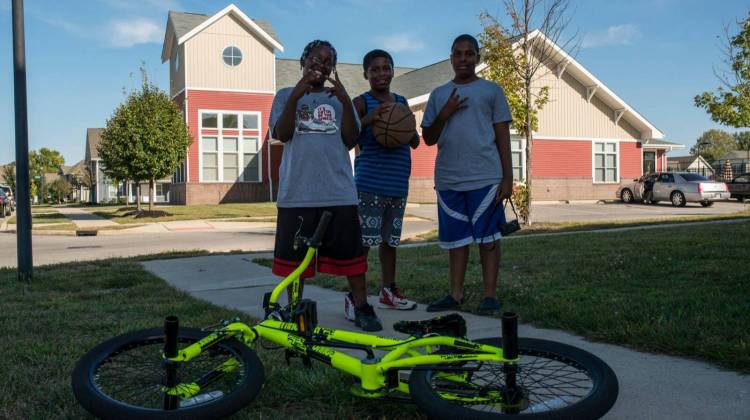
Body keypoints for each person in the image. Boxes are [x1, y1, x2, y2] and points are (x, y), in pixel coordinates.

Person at [268, 40, 382, 331]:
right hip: (298, 194)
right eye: (315, 59)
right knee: (296, 262)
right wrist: (296, 94)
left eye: (327, 61)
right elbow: (281, 133)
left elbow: (351, 138)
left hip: (338, 191)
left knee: (353, 257)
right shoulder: (284, 95)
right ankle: (295, 309)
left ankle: (361, 306)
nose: (320, 64)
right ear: (303, 61)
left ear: (333, 66)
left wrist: (344, 99)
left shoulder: (339, 99)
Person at [420, 34, 514, 315]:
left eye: (469, 54)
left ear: (477, 58)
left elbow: (503, 137)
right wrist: (445, 112)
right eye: (458, 54)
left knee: (488, 238)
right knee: (456, 241)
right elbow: (428, 137)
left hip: (485, 178)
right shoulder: (439, 95)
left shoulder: (492, 91)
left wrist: (508, 178)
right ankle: (455, 294)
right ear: (450, 59)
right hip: (449, 179)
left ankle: (489, 296)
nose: (463, 59)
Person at [344, 49, 420, 321]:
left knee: (390, 241)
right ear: (365, 74)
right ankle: (355, 297)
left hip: (397, 183)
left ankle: (388, 290)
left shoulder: (401, 101)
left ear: (392, 71)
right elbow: (348, 135)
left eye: (385, 68)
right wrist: (371, 120)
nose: (380, 73)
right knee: (364, 242)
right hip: (369, 183)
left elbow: (414, 141)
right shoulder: (361, 102)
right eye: (374, 69)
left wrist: (404, 127)